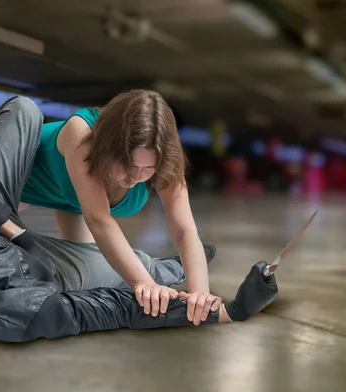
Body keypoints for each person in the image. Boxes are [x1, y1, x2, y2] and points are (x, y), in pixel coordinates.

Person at [0, 96, 279, 354]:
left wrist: (11, 228)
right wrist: (207, 308)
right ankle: (173, 268)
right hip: (31, 242)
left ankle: (174, 269)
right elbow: (97, 300)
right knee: (108, 274)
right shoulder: (2, 312)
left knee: (23, 108)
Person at [20, 89, 217, 321]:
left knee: (88, 276)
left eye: (147, 169)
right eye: (129, 165)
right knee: (5, 262)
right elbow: (99, 219)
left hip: (73, 203)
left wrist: (200, 294)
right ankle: (158, 270)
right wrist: (144, 283)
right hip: (25, 182)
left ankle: (163, 269)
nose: (135, 177)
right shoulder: (82, 133)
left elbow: (184, 229)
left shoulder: (166, 160)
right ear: (107, 147)